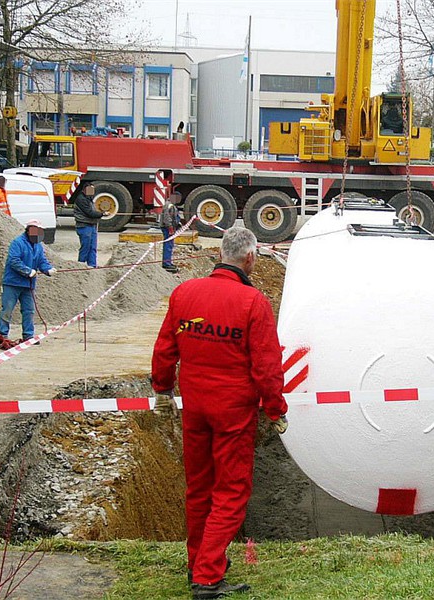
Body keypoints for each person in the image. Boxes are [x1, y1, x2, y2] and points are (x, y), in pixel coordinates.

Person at [151, 226, 288, 599]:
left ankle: (198, 564)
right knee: (231, 491)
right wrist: (276, 409)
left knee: (199, 489)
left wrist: (162, 389)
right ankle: (207, 576)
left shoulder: (185, 293)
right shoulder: (252, 302)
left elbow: (165, 349)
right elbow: (266, 365)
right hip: (233, 414)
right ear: (250, 259)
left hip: (194, 409)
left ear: (219, 254)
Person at [0, 219, 56, 342]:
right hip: (12, 283)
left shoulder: (38, 246)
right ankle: (2, 335)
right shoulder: (17, 243)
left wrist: (48, 269)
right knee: (7, 309)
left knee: (29, 311)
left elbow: (41, 261)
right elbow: (13, 261)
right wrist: (27, 271)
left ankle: (28, 336)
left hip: (28, 285)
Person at [73, 183, 104, 268]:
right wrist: (102, 214)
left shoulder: (89, 198)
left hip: (91, 225)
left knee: (92, 247)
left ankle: (92, 265)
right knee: (85, 247)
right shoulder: (81, 199)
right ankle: (81, 265)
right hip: (84, 225)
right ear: (84, 190)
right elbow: (90, 213)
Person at [160, 191, 182, 273]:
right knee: (168, 245)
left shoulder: (172, 205)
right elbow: (167, 218)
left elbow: (174, 217)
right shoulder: (169, 205)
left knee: (170, 244)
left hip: (170, 227)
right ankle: (166, 263)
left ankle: (168, 262)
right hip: (167, 228)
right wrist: (170, 228)